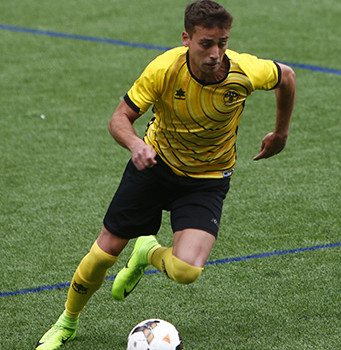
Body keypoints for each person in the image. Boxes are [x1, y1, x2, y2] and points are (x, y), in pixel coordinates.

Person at [36, 1, 296, 348]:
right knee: (104, 254)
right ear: (187, 39)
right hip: (155, 166)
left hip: (207, 179)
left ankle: (147, 253)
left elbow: (287, 76)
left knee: (187, 271)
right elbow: (118, 119)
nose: (216, 53)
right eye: (206, 43)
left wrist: (280, 133)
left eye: (222, 42)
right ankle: (67, 322)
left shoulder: (245, 70)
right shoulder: (163, 70)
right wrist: (134, 145)